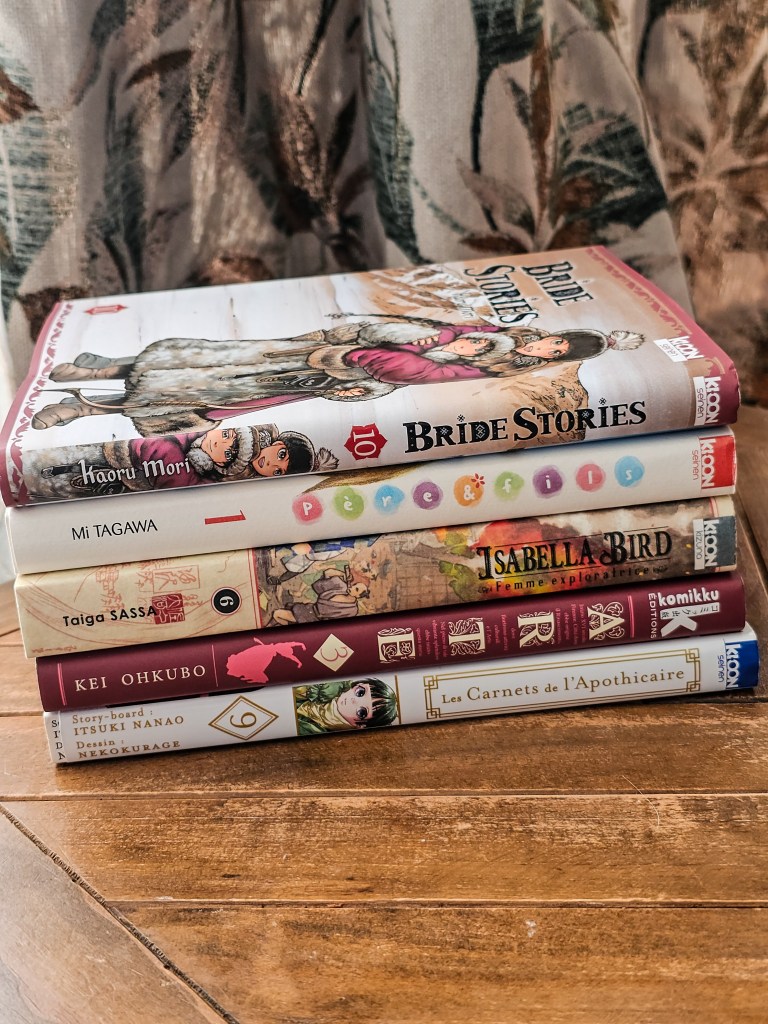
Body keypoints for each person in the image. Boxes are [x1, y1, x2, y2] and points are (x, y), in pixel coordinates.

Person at [30, 317, 644, 435]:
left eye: (559, 350)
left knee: (228, 403)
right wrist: (372, 346)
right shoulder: (489, 333)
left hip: (359, 378)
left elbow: (425, 381)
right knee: (228, 359)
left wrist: (370, 381)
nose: (548, 346)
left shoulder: (502, 373)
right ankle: (110, 368)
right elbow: (422, 334)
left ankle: (91, 411)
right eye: (556, 338)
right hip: (355, 352)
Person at [293, 678, 399, 735]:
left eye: (362, 712)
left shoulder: (318, 730)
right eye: (360, 692)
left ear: (361, 726)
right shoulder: (328, 687)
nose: (354, 701)